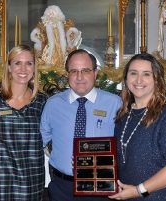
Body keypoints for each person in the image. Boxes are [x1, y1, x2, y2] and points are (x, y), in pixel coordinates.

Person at [109, 53, 166, 200]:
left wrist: (139, 190)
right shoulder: (124, 115)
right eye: (133, 73)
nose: (139, 80)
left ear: (157, 80)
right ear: (126, 79)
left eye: (146, 74)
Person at [40, 49, 121, 201]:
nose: (79, 77)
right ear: (67, 74)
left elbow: (124, 145)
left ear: (95, 72)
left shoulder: (114, 103)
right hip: (62, 188)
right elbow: (39, 141)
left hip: (101, 187)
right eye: (74, 71)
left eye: (85, 70)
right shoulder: (53, 104)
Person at [0, 45, 47, 201]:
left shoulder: (42, 101)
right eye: (17, 63)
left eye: (29, 63)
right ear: (9, 67)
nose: (23, 68)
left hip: (31, 179)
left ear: (34, 68)